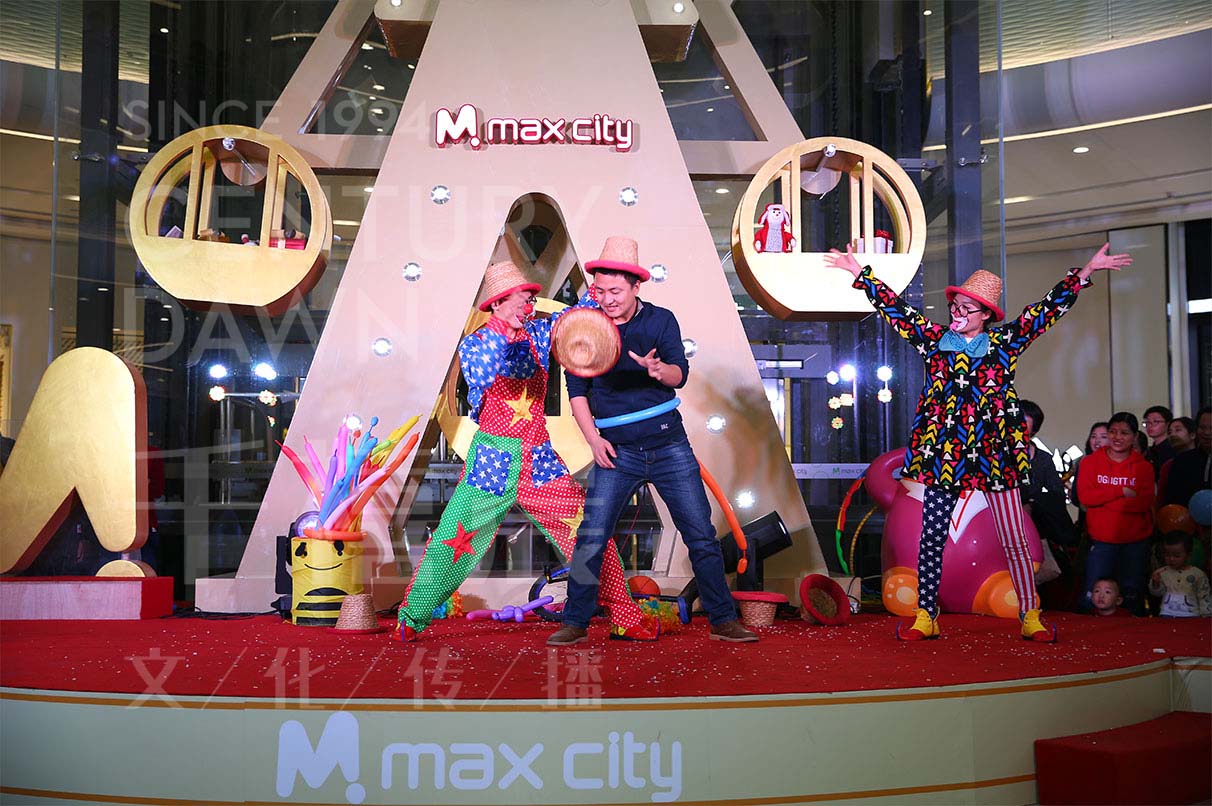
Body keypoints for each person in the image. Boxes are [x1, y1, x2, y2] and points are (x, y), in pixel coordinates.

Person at [825, 242, 1131, 642]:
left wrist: (1084, 273)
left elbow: (1044, 313)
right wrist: (859, 273)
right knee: (931, 538)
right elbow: (897, 310)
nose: (957, 313)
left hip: (994, 456)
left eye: (966, 309)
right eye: (955, 307)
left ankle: (1030, 614)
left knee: (1014, 539)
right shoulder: (934, 341)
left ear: (985, 315)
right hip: (943, 455)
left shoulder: (1004, 344)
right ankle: (926, 615)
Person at [395, 260, 656, 642]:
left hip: (539, 459)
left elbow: (579, 317)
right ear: (498, 304)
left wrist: (605, 284)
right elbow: (482, 373)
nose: (528, 306)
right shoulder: (476, 344)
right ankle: (412, 616)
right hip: (492, 461)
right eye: (520, 300)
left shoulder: (539, 330)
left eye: (531, 299)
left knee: (589, 533)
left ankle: (624, 614)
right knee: (452, 539)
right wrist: (504, 331)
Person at [547, 236, 757, 645]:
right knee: (591, 537)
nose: (606, 299)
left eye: (615, 291)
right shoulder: (584, 327)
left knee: (700, 535)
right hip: (616, 451)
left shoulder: (661, 320)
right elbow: (577, 391)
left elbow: (680, 373)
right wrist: (593, 440)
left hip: (668, 446)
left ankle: (722, 620)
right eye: (600, 290)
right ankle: (575, 621)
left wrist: (659, 371)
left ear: (636, 286)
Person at [1078, 412, 1155, 615]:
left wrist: (1103, 501)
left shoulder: (1144, 467)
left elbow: (1143, 503)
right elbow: (1085, 497)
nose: (1117, 437)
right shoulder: (1090, 462)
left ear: (1135, 436)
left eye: (1124, 433)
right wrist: (1120, 492)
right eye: (1112, 432)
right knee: (1093, 595)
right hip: (1101, 541)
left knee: (1132, 594)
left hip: (1135, 542)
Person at [1148, 532, 1212, 617]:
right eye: (1167, 555)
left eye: (1177, 556)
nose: (1171, 559)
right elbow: (1157, 594)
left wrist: (1206, 615)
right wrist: (1155, 583)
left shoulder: (1198, 574)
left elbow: (1204, 596)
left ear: (1188, 555)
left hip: (1191, 615)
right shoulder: (1161, 572)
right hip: (1167, 614)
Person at [1162, 407, 1211, 508]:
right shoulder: (1182, 461)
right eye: (1202, 428)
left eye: (1211, 428)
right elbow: (1171, 499)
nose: (1207, 433)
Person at [1158, 416, 1197, 504]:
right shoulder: (1168, 465)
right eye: (1169, 432)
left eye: (1178, 430)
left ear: (1192, 435)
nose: (1172, 435)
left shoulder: (1203, 461)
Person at [1142, 405, 1175, 477]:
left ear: (1168, 424)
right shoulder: (1150, 450)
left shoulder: (1172, 449)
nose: (1150, 426)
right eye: (1147, 422)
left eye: (1156, 422)